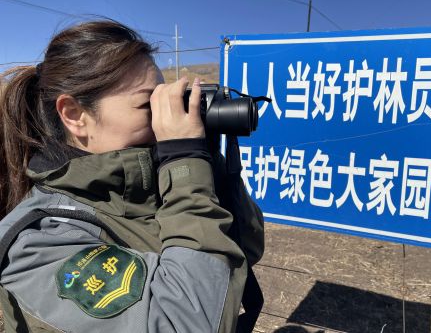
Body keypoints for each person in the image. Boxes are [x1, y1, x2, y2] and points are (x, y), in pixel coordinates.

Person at [0, 20, 264, 333]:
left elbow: (248, 247)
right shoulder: (38, 243)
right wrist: (184, 159)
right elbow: (184, 324)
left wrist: (205, 161)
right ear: (74, 116)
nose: (166, 118)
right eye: (147, 104)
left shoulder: (152, 187)